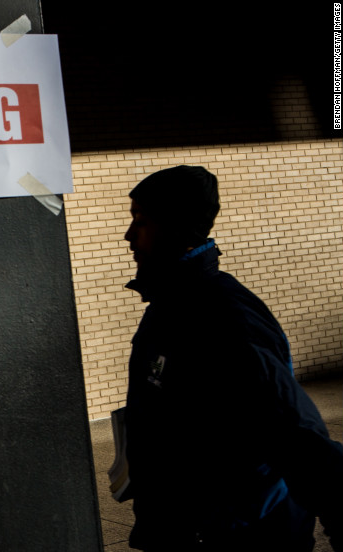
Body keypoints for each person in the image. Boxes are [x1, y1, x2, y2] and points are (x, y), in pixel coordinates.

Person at [122, 166, 343, 551]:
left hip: (244, 532)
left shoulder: (222, 316)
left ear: (177, 229)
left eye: (140, 222)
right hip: (196, 528)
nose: (128, 237)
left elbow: (295, 430)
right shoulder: (170, 306)